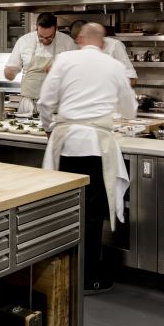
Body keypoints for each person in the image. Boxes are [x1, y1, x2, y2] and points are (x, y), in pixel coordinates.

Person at [37, 23, 139, 294]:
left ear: (79, 39)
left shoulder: (65, 60)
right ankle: (89, 276)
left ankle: (61, 274)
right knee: (92, 215)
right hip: (96, 146)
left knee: (65, 208)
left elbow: (45, 102)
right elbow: (130, 107)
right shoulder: (113, 65)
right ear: (103, 43)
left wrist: (49, 127)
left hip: (66, 143)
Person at [4, 12, 76, 115]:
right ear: (36, 28)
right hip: (28, 103)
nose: (45, 40)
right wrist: (9, 72)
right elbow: (12, 68)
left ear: (56, 28)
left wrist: (61, 71)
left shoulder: (68, 43)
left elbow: (76, 72)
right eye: (41, 37)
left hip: (55, 105)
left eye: (50, 37)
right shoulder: (24, 41)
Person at [69, 20, 137, 86]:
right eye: (76, 42)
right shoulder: (76, 49)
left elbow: (131, 79)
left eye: (81, 40)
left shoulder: (114, 45)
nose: (80, 45)